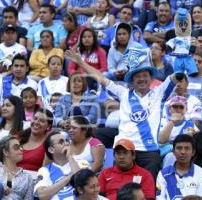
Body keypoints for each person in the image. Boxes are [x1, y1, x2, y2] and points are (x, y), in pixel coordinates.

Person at [66, 45, 180, 180]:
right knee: (120, 189)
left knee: (147, 191)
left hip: (149, 152)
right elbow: (101, 78)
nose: (141, 79)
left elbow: (177, 76)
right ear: (132, 80)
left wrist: (183, 52)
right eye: (137, 76)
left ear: (151, 79)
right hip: (124, 150)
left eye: (145, 75)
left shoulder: (159, 92)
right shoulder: (123, 93)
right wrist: (80, 62)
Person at [34, 129, 88, 200]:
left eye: (67, 140)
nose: (66, 143)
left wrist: (69, 157)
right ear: (51, 150)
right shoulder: (44, 170)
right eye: (61, 142)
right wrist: (69, 177)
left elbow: (84, 185)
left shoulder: (81, 163)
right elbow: (42, 195)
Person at [156, 134, 202, 199]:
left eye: (187, 148)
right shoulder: (163, 174)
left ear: (193, 152)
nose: (183, 152)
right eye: (179, 148)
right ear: (174, 152)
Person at [0, 135, 33, 200]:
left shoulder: (27, 177)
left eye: (21, 147)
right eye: (16, 147)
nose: (21, 149)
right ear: (6, 152)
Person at [17, 108, 53, 172]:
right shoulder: (18, 137)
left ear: (49, 126)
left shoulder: (49, 144)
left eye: (42, 121)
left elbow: (45, 172)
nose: (36, 122)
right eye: (35, 118)